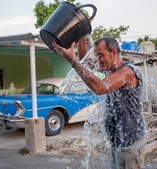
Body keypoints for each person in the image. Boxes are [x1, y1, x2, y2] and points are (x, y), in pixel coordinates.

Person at [53, 36, 146, 169]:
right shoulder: (110, 69)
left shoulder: (128, 72)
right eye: (97, 56)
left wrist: (72, 60)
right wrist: (81, 34)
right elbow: (84, 60)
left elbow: (100, 87)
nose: (98, 60)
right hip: (117, 142)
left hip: (129, 145)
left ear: (114, 52)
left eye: (101, 55)